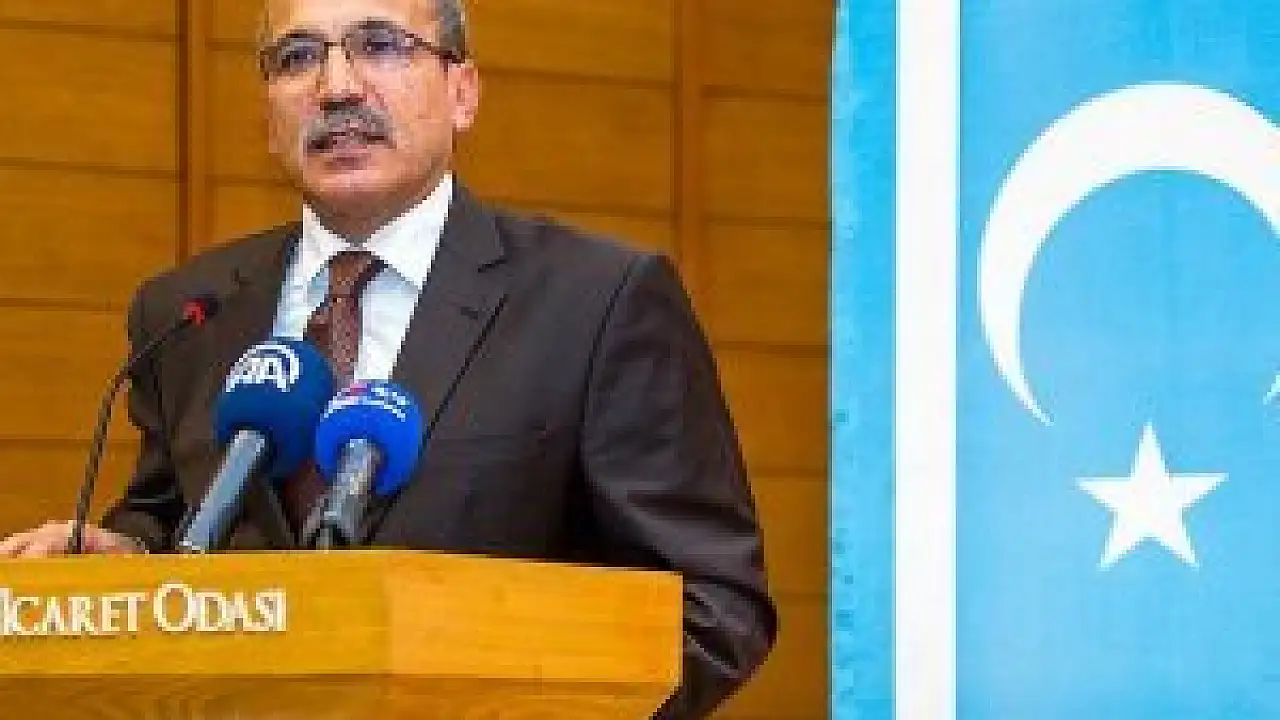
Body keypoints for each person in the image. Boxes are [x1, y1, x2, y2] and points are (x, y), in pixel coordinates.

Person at [0, 0, 777, 716]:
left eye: (380, 46)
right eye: (298, 57)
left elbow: (712, 605)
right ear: (267, 115)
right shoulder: (186, 314)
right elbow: (173, 520)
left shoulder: (596, 300)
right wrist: (128, 553)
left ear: (463, 91)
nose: (337, 87)